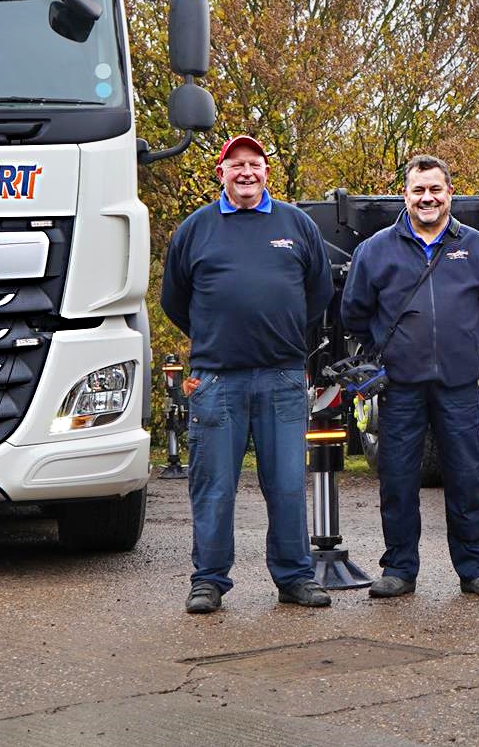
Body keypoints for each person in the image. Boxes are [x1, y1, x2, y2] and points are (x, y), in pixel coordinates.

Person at [161, 133, 333, 614]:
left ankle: (295, 577)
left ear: (266, 172)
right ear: (221, 173)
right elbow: (174, 300)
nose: (245, 172)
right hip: (217, 381)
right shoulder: (196, 229)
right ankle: (209, 580)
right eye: (235, 164)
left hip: (281, 377)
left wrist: (281, 332)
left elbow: (317, 293)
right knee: (213, 486)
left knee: (286, 484)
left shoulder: (295, 224)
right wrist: (218, 334)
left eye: (254, 163)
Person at [341, 154, 479, 598]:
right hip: (399, 386)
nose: (427, 198)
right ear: (406, 195)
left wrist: (459, 344)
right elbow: (355, 313)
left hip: (457, 385)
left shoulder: (478, 248)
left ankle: (476, 568)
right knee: (397, 479)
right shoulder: (376, 249)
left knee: (466, 477)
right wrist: (391, 350)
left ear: (450, 193)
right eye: (419, 190)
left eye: (436, 189)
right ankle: (399, 568)